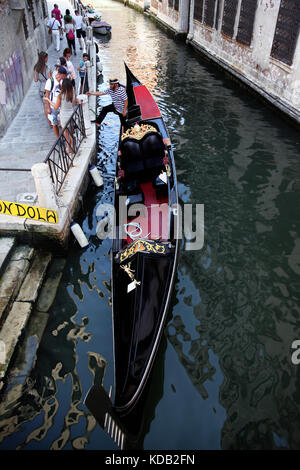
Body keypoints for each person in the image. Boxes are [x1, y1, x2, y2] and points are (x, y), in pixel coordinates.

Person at [44, 78, 78, 154]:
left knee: (66, 134)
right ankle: (73, 146)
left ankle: (69, 149)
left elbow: (56, 107)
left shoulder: (60, 95)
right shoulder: (73, 93)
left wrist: (48, 100)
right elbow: (75, 103)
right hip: (71, 114)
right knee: (71, 133)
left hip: (64, 116)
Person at [44, 66, 68, 138]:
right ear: (60, 74)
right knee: (54, 122)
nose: (65, 76)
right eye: (65, 75)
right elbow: (47, 95)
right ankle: (58, 137)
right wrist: (48, 108)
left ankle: (65, 137)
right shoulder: (50, 81)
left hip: (61, 105)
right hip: (53, 105)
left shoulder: (63, 81)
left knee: (63, 121)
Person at [33, 52, 52, 128]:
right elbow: (50, 78)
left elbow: (35, 80)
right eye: (47, 57)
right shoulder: (47, 68)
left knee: (45, 107)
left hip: (41, 89)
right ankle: (53, 122)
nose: (47, 59)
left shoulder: (36, 68)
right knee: (50, 105)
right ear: (44, 58)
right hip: (47, 88)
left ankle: (49, 123)